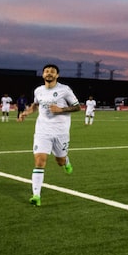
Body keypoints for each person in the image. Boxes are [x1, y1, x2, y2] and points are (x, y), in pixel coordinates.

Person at [16, 64, 80, 206]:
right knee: (39, 161)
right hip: (42, 131)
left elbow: (77, 107)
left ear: (57, 75)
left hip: (60, 133)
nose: (49, 73)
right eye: (46, 71)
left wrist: (61, 109)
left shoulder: (64, 90)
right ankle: (36, 196)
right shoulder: (38, 90)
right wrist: (26, 112)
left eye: (52, 72)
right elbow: (36, 105)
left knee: (60, 161)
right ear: (43, 75)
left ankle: (66, 161)